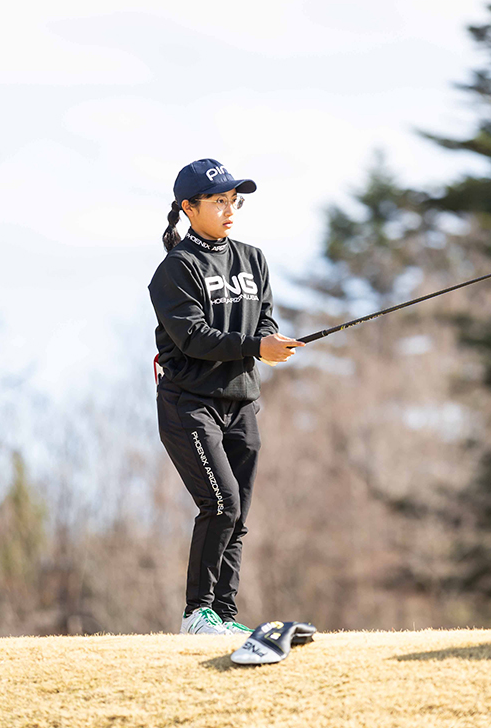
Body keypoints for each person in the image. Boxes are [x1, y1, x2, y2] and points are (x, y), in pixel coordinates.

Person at [148, 158, 304, 635]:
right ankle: (198, 614)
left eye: (233, 200)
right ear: (188, 208)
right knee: (221, 504)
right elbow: (193, 337)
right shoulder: (175, 270)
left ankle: (224, 615)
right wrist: (257, 346)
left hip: (241, 403)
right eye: (218, 201)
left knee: (238, 517)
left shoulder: (253, 258)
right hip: (189, 404)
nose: (230, 208)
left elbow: (265, 319)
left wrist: (269, 340)